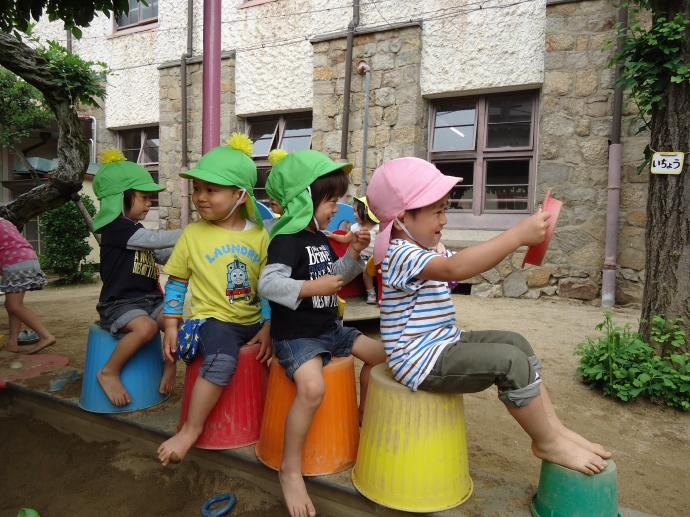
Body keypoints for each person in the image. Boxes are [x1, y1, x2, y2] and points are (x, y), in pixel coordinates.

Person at [366, 157, 612, 477]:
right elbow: (457, 269)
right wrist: (516, 235)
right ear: (401, 219)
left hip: (440, 343)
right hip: (418, 360)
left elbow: (463, 264)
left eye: (446, 209)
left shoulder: (425, 249)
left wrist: (519, 240)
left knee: (516, 343)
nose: (445, 219)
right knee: (508, 361)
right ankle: (547, 441)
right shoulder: (400, 254)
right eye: (437, 211)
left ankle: (554, 429)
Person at [258, 149, 387, 517]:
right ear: (304, 199)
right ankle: (290, 468)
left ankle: (362, 415)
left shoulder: (317, 238)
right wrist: (309, 289)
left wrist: (355, 255)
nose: (336, 208)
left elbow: (334, 279)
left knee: (385, 360)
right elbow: (268, 284)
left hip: (331, 329)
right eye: (331, 200)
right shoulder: (286, 240)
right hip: (297, 337)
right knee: (313, 388)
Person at [157, 134, 272, 466]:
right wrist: (172, 326)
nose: (200, 198)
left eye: (211, 190)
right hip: (212, 322)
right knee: (222, 359)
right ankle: (191, 430)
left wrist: (267, 325)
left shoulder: (259, 235)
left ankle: (270, 423)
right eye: (197, 189)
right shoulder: (192, 234)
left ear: (239, 195)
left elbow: (267, 286)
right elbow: (177, 284)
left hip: (252, 321)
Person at [93, 149, 181, 407]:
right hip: (120, 303)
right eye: (143, 197)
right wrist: (192, 233)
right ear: (121, 198)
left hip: (150, 300)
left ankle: (170, 365)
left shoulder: (135, 229)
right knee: (146, 328)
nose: (149, 203)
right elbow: (153, 241)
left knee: (176, 321)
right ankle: (108, 372)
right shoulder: (116, 229)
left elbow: (162, 255)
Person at [0, 217, 56, 354]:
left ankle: (45, 336)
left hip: (15, 263)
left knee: (15, 306)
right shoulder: (4, 221)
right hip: (27, 259)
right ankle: (12, 343)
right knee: (11, 305)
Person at [325, 196, 379, 304]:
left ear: (366, 211)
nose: (354, 214)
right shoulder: (355, 227)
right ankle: (371, 292)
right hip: (363, 259)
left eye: (356, 211)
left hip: (377, 258)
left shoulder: (377, 228)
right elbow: (345, 238)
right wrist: (334, 236)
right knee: (365, 271)